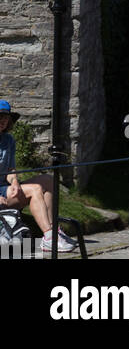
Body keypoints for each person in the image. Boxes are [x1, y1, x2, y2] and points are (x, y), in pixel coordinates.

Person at [0, 100, 75, 253]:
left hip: (5, 189)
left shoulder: (8, 140)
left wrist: (14, 181)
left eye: (6, 118)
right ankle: (48, 237)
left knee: (48, 180)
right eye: (0, 117)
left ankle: (54, 232)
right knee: (35, 189)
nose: (3, 121)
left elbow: (10, 168)